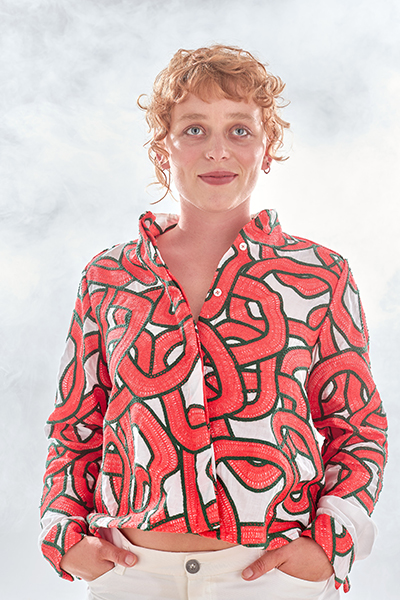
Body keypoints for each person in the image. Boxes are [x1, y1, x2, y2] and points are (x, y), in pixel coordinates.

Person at [40, 44, 387, 600]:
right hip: (132, 574)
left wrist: (331, 545)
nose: (218, 150)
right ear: (164, 148)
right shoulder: (109, 277)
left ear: (266, 148)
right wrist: (63, 536)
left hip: (270, 578)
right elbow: (75, 425)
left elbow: (358, 427)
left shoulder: (320, 275)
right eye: (195, 129)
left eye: (240, 130)